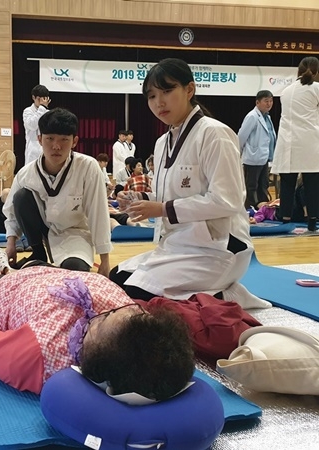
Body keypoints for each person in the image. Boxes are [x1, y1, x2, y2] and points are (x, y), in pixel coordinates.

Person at [109, 58, 270, 309]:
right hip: (178, 245)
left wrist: (162, 209)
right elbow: (168, 195)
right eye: (151, 96)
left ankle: (225, 296)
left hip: (216, 250)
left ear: (189, 90)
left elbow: (227, 200)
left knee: (135, 293)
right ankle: (214, 295)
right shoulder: (162, 143)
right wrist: (142, 200)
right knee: (116, 278)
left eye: (167, 91)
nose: (159, 102)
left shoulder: (215, 133)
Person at [0, 263, 195, 398]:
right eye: (116, 312)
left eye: (102, 321)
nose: (102, 312)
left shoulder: (37, 354)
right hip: (50, 273)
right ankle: (9, 266)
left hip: (5, 291)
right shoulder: (130, 316)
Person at [3, 108, 113, 276]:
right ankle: (38, 253)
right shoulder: (26, 174)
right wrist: (11, 243)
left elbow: (98, 213)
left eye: (64, 139)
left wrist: (105, 260)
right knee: (21, 197)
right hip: (43, 231)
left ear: (74, 141)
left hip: (75, 233)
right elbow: (11, 212)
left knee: (76, 271)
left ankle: (37, 267)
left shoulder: (88, 167)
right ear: (39, 139)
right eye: (50, 139)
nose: (56, 146)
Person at [271, 56, 319, 232]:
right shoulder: (316, 89)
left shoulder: (286, 91)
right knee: (312, 184)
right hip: (309, 142)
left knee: (287, 184)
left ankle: (284, 220)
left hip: (288, 142)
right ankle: (312, 221)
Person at [237, 90, 276, 209]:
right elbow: (241, 136)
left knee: (263, 185)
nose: (269, 104)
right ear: (257, 102)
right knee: (251, 186)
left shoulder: (267, 117)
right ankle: (250, 209)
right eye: (266, 101)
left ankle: (263, 209)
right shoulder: (252, 116)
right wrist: (239, 153)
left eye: (270, 101)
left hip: (264, 157)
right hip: (253, 158)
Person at [23, 84, 51, 165]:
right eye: (39, 99)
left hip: (46, 149)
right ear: (33, 97)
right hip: (32, 150)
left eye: (44, 99)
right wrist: (42, 108)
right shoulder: (28, 111)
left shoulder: (49, 113)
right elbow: (32, 125)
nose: (41, 101)